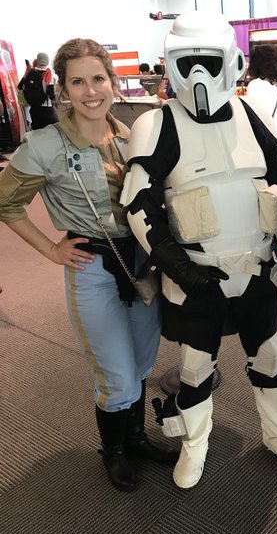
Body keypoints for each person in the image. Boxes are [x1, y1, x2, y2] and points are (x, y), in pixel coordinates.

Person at [121, 11, 277, 490]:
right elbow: (138, 207)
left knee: (269, 358)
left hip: (257, 266)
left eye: (208, 62)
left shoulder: (252, 115)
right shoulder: (157, 125)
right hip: (196, 274)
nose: (198, 76)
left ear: (232, 62)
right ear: (170, 64)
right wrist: (182, 270)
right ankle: (195, 446)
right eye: (186, 63)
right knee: (194, 369)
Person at [0, 38, 176, 493]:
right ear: (63, 88)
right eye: (77, 82)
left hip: (143, 263)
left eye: (98, 78)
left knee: (141, 361)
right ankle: (113, 450)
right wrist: (49, 249)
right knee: (115, 373)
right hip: (92, 268)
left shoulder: (132, 136)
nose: (90, 90)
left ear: (112, 82)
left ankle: (135, 438)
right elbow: (6, 202)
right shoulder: (45, 146)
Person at [17, 52, 59, 130]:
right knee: (52, 130)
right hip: (46, 110)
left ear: (38, 61)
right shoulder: (49, 75)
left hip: (34, 109)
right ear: (47, 62)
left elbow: (20, 86)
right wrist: (56, 100)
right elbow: (51, 95)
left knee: (37, 131)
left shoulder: (29, 73)